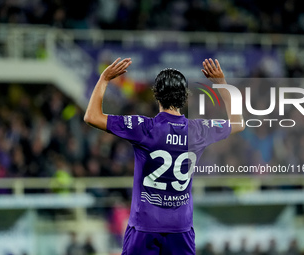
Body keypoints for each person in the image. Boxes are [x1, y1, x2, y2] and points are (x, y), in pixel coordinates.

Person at [84, 57, 245, 254]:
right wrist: (221, 83)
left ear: (157, 95)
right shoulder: (199, 130)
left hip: (144, 226)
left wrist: (104, 79)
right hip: (180, 228)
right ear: (184, 98)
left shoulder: (143, 128)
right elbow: (238, 123)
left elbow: (92, 116)